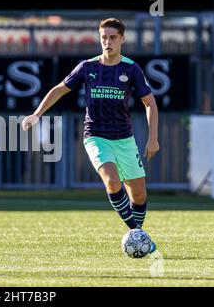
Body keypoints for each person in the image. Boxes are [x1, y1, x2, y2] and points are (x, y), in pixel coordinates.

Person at [22, 18, 159, 254]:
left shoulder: (131, 69)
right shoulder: (88, 67)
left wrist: (153, 137)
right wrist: (36, 114)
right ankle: (137, 233)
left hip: (125, 139)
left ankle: (137, 236)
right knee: (112, 181)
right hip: (96, 136)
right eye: (104, 37)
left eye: (113, 37)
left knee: (138, 193)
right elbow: (59, 90)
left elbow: (150, 103)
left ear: (122, 39)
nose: (107, 41)